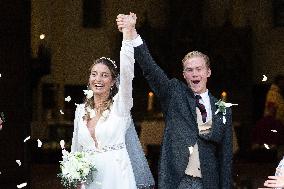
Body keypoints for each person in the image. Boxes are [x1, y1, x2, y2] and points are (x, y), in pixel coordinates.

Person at [116, 13, 233, 189]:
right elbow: (150, 68)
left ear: (208, 72)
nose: (194, 74)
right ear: (184, 75)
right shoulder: (174, 93)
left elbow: (225, 158)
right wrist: (133, 33)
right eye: (189, 70)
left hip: (209, 182)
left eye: (199, 69)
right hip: (178, 180)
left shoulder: (223, 109)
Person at [70, 28, 154, 189]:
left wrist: (127, 36)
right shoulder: (80, 110)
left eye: (104, 75)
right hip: (89, 180)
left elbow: (128, 72)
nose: (98, 79)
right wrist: (75, 173)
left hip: (116, 177)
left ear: (113, 81)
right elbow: (76, 148)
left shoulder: (121, 106)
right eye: (94, 74)